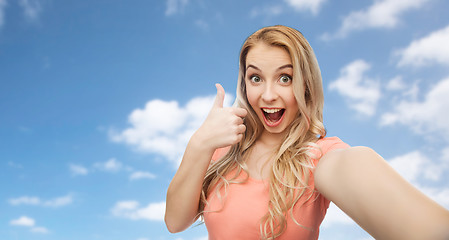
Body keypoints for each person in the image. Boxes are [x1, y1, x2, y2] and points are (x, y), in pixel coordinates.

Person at [164, 25, 449, 239]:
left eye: (284, 78)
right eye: (256, 78)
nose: (268, 94)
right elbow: (175, 222)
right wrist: (199, 143)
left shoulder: (320, 157)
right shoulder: (223, 148)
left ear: (306, 85)